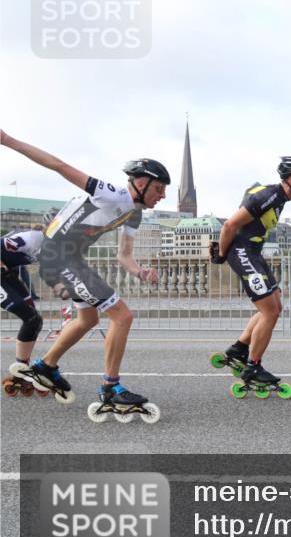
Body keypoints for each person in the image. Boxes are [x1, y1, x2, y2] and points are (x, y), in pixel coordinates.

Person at [1, 130, 168, 420]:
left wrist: (141, 271)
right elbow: (59, 166)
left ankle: (46, 366)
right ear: (141, 183)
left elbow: (124, 256)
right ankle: (110, 388)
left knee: (88, 318)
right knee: (122, 316)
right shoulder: (111, 194)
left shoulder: (135, 213)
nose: (163, 195)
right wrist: (8, 141)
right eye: (159, 189)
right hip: (57, 258)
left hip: (70, 259)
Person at [210, 157, 291, 398]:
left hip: (253, 252)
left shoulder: (280, 198)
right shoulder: (268, 196)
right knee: (270, 311)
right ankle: (253, 366)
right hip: (242, 252)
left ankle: (238, 350)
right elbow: (229, 226)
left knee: (275, 306)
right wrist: (222, 255)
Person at [2, 220, 48, 396]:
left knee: (35, 320)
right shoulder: (33, 238)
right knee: (30, 318)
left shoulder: (58, 247)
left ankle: (21, 368)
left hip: (8, 275)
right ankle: (20, 369)